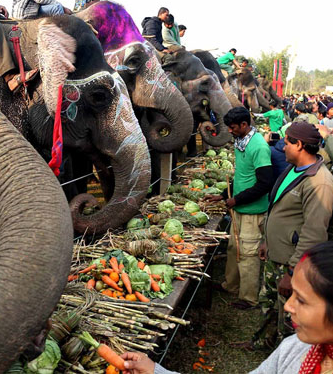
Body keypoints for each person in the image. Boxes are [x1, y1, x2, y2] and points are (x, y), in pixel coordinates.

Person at [119, 241, 333, 374]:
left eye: (302, 300)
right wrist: (155, 371)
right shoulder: (296, 349)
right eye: (292, 294)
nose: (288, 306)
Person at [252, 121, 333, 349]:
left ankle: (284, 354)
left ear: (299, 145)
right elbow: (277, 208)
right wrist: (266, 240)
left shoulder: (320, 183)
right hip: (275, 256)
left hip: (289, 263)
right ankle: (263, 342)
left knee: (288, 315)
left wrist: (294, 271)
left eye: (286, 143)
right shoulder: (293, 169)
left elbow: (314, 233)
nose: (282, 147)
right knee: (269, 301)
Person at [206, 107, 273, 309]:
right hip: (240, 207)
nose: (230, 130)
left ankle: (249, 298)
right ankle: (231, 285)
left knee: (248, 254)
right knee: (234, 247)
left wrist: (237, 200)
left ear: (244, 125)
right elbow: (243, 176)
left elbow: (264, 184)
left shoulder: (259, 146)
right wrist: (225, 195)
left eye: (233, 127)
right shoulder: (240, 142)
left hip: (253, 210)